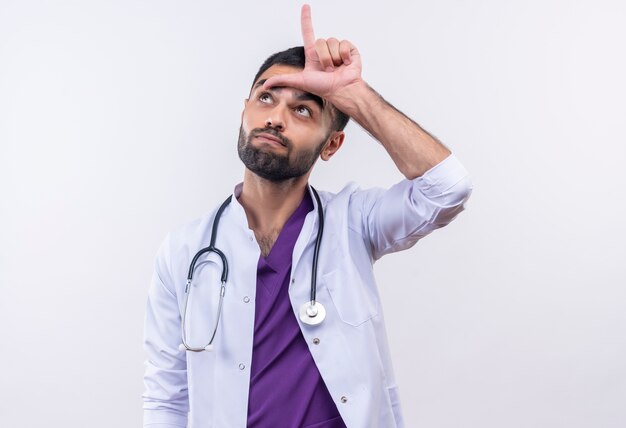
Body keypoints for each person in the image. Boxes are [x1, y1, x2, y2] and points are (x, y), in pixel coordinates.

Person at [142, 4, 472, 427]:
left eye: (303, 110)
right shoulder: (184, 250)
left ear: (331, 145)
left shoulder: (354, 221)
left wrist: (353, 94)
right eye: (266, 98)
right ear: (244, 112)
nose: (275, 118)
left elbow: (448, 188)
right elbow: (166, 396)